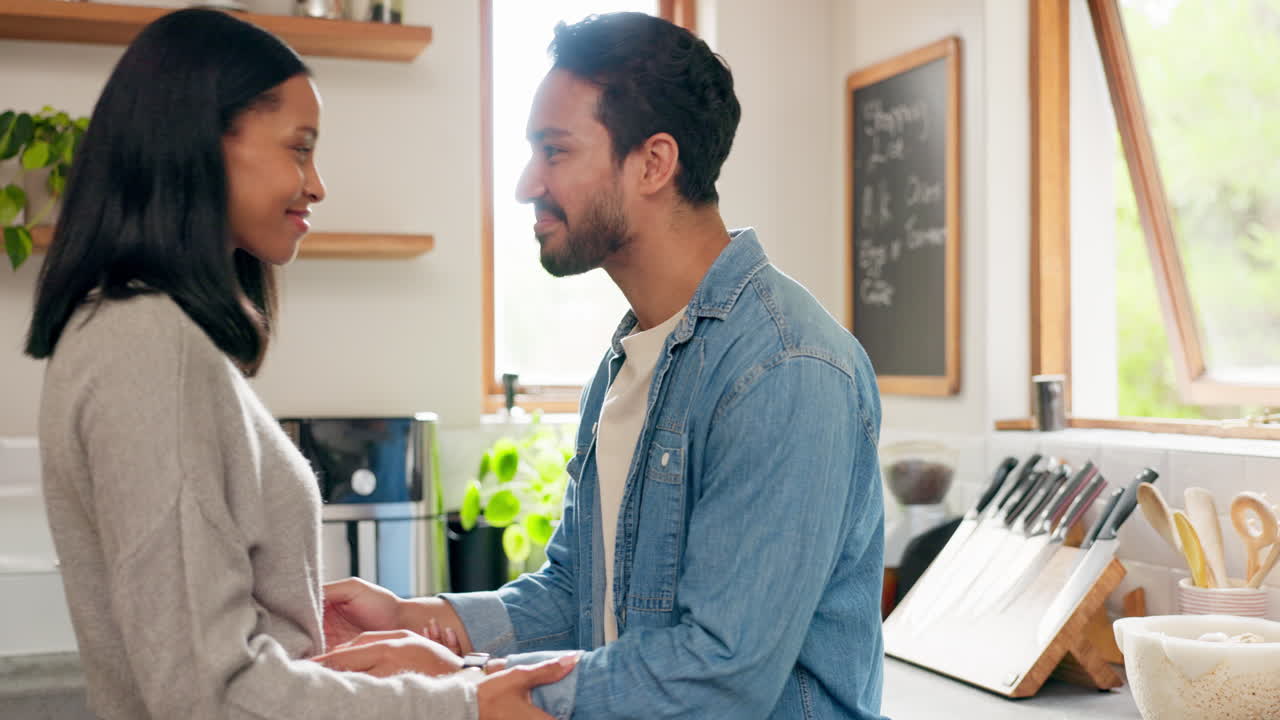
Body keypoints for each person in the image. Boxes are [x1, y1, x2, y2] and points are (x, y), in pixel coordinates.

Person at [321, 11, 887, 720]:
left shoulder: (786, 369)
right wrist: (419, 617)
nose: (527, 183)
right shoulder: (631, 359)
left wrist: (465, 682)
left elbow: (719, 672)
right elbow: (577, 592)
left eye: (553, 151)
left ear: (653, 162)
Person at [25, 9, 574, 720]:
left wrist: (307, 649)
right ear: (201, 145)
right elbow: (207, 693)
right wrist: (461, 703)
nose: (316, 185)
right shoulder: (147, 350)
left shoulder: (149, 337)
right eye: (299, 148)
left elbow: (206, 656)